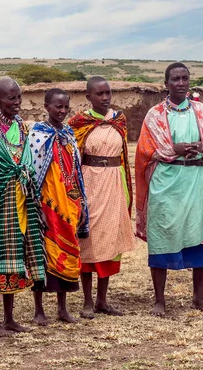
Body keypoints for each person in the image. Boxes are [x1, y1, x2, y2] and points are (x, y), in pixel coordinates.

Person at [135, 62, 203, 316]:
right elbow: (145, 150)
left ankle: (198, 298)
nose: (181, 83)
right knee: (163, 232)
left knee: (202, 235)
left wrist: (199, 146)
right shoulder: (154, 114)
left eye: (185, 78)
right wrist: (174, 149)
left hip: (196, 178)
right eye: (175, 79)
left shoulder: (200, 109)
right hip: (167, 181)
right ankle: (159, 301)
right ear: (166, 84)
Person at [0, 78, 46, 337]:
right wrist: (5, 178)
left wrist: (22, 178)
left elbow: (27, 162)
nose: (16, 102)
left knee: (14, 260)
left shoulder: (23, 128)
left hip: (19, 202)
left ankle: (10, 318)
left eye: (18, 97)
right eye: (11, 98)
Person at [68, 76, 134, 319]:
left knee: (110, 238)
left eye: (108, 93)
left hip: (115, 182)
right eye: (99, 94)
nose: (105, 98)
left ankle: (102, 300)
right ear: (88, 97)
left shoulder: (119, 120)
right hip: (90, 183)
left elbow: (124, 155)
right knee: (89, 238)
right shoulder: (79, 122)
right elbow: (72, 158)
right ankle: (87, 301)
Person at [29, 88, 89, 325]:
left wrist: (82, 202)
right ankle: (38, 310)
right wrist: (35, 206)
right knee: (41, 255)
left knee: (68, 251)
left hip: (69, 203)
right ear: (46, 106)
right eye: (58, 107)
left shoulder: (69, 134)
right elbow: (31, 172)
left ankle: (63, 309)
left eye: (66, 107)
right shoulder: (37, 134)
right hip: (46, 204)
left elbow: (75, 171)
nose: (63, 111)